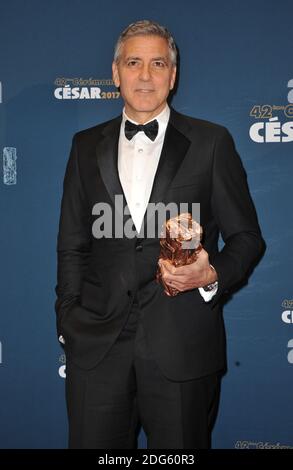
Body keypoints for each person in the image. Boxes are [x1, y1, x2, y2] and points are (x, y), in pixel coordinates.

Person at [55, 20, 265, 449]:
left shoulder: (211, 143)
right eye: (134, 63)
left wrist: (210, 277)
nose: (145, 76)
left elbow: (247, 238)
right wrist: (68, 318)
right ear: (116, 73)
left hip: (183, 344)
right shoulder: (83, 145)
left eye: (157, 64)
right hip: (96, 347)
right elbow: (72, 244)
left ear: (173, 75)